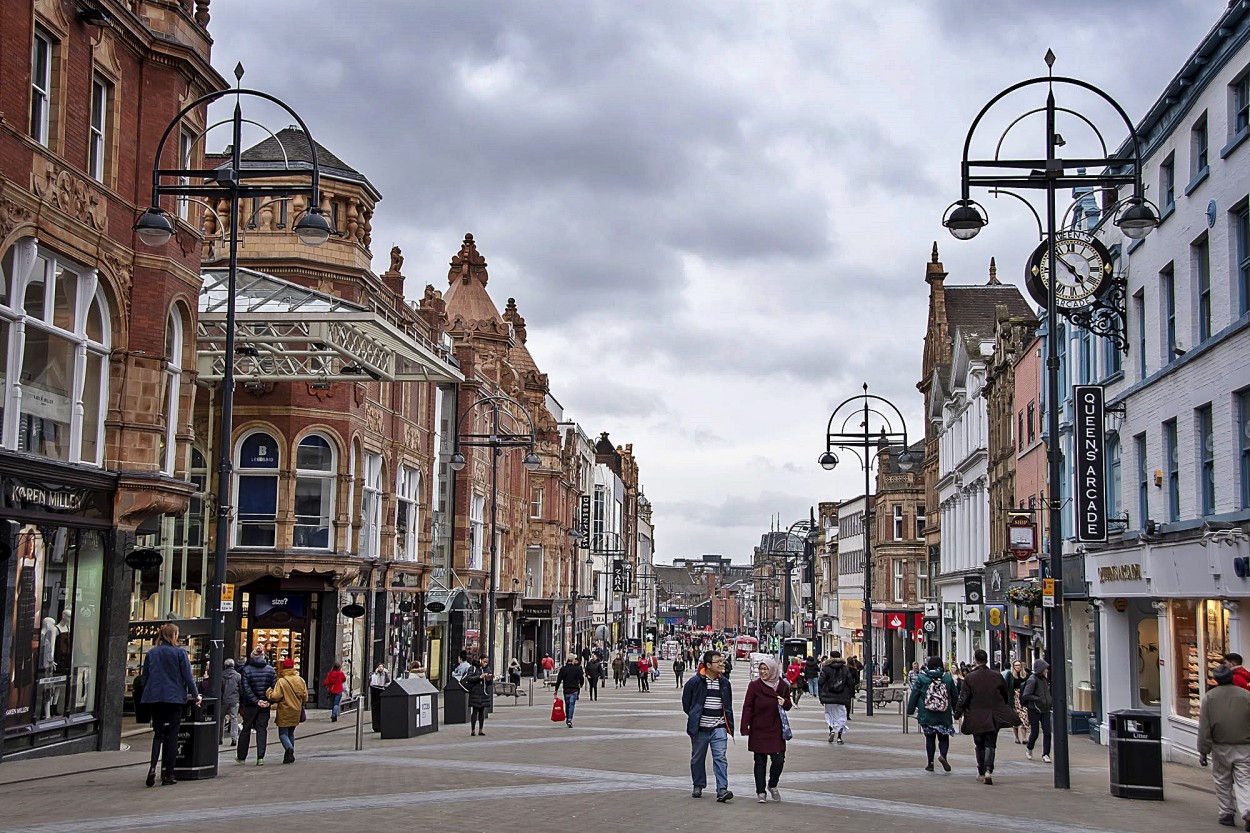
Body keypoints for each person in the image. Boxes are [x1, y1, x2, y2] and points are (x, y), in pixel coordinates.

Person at [140, 623, 200, 787]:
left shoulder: (152, 653)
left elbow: (145, 676)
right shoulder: (180, 652)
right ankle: (168, 774)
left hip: (155, 697)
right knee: (173, 734)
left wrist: (149, 691)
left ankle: (152, 768)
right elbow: (187, 676)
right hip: (174, 697)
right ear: (173, 636)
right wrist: (196, 695)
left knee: (158, 734)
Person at [954, 649, 1020, 786]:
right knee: (991, 743)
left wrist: (957, 713)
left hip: (976, 715)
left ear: (975, 660)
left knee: (979, 743)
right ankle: (989, 769)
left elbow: (964, 697)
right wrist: (1003, 706)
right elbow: (1005, 693)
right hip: (994, 714)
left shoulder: (970, 677)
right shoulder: (996, 676)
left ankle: (981, 770)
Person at [1199, 663, 1250, 827]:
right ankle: (1248, 810)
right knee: (1244, 780)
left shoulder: (1209, 697)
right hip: (1244, 745)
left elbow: (1204, 727)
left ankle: (1226, 813)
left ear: (1216, 680)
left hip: (1220, 745)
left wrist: (1203, 751)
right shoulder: (1246, 695)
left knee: (1222, 780)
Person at [682, 650, 735, 802]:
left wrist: (727, 724)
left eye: (722, 661)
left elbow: (727, 705)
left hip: (719, 727)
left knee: (720, 758)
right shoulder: (695, 682)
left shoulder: (725, 683)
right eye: (718, 661)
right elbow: (687, 704)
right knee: (697, 758)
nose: (721, 664)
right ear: (708, 665)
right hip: (700, 728)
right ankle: (698, 784)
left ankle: (722, 789)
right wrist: (695, 716)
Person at [741, 656, 792, 803]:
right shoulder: (755, 686)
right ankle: (760, 792)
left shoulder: (782, 686)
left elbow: (788, 705)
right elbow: (748, 706)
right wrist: (745, 726)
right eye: (761, 669)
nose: (763, 672)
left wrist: (784, 702)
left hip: (776, 729)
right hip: (759, 728)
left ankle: (772, 784)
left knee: (779, 760)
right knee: (760, 761)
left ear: (773, 670)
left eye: (766, 669)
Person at [907, 656, 957, 773]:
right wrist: (957, 711)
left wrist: (910, 710)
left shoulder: (922, 677)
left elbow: (914, 694)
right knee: (944, 737)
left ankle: (930, 763)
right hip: (944, 714)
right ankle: (943, 755)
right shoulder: (947, 678)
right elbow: (954, 695)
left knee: (930, 739)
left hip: (927, 714)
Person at [237, 645, 276, 766]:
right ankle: (260, 757)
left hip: (250, 705)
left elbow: (245, 688)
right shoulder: (270, 670)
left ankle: (242, 756)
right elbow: (275, 687)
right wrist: (268, 701)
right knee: (262, 730)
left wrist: (255, 701)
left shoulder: (246, 670)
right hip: (265, 705)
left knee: (246, 729)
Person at [266, 658, 308, 764]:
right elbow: (305, 697)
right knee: (291, 733)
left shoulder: (282, 681)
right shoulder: (300, 680)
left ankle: (289, 748)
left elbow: (276, 696)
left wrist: (268, 692)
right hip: (296, 710)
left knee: (283, 734)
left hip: (284, 710)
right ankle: (289, 756)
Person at [817, 651, 857, 744]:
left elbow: (821, 681)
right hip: (841, 697)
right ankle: (839, 736)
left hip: (828, 696)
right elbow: (850, 682)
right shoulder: (845, 668)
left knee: (829, 714)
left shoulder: (826, 668)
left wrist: (822, 692)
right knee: (841, 716)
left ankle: (831, 730)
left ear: (831, 657)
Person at [1021, 659, 1053, 762]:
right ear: (1041, 669)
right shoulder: (1032, 680)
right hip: (1034, 709)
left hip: (1045, 709)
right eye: (1045, 669)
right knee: (1035, 732)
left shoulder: (1044, 679)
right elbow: (1026, 695)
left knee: (1047, 732)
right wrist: (1038, 699)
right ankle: (1030, 748)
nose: (1047, 670)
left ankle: (1046, 754)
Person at [465, 655, 493, 736]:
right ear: (480, 660)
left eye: (487, 662)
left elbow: (489, 683)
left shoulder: (487, 669)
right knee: (475, 711)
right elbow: (469, 678)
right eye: (484, 661)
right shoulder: (473, 668)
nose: (485, 663)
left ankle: (481, 730)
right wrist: (479, 677)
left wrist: (488, 679)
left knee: (482, 711)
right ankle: (473, 730)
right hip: (475, 692)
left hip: (483, 693)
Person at [554, 655, 585, 728]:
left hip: (566, 690)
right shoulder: (576, 669)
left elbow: (559, 680)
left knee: (567, 705)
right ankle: (569, 719)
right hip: (574, 689)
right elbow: (581, 678)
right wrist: (581, 684)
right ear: (573, 661)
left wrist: (556, 690)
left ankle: (568, 718)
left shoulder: (563, 669)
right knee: (572, 705)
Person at [1005, 660, 1030, 744]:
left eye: (1019, 665)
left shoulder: (1025, 675)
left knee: (1024, 718)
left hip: (1023, 698)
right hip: (1014, 698)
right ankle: (1016, 737)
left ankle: (1024, 737)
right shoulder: (1010, 675)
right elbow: (1006, 687)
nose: (1018, 667)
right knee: (1015, 718)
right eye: (1016, 665)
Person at [221, 657, 242, 745]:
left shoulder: (221, 675)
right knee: (234, 718)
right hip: (234, 700)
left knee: (221, 719)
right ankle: (234, 738)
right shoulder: (238, 676)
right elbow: (241, 688)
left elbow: (219, 688)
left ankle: (219, 738)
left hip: (223, 700)